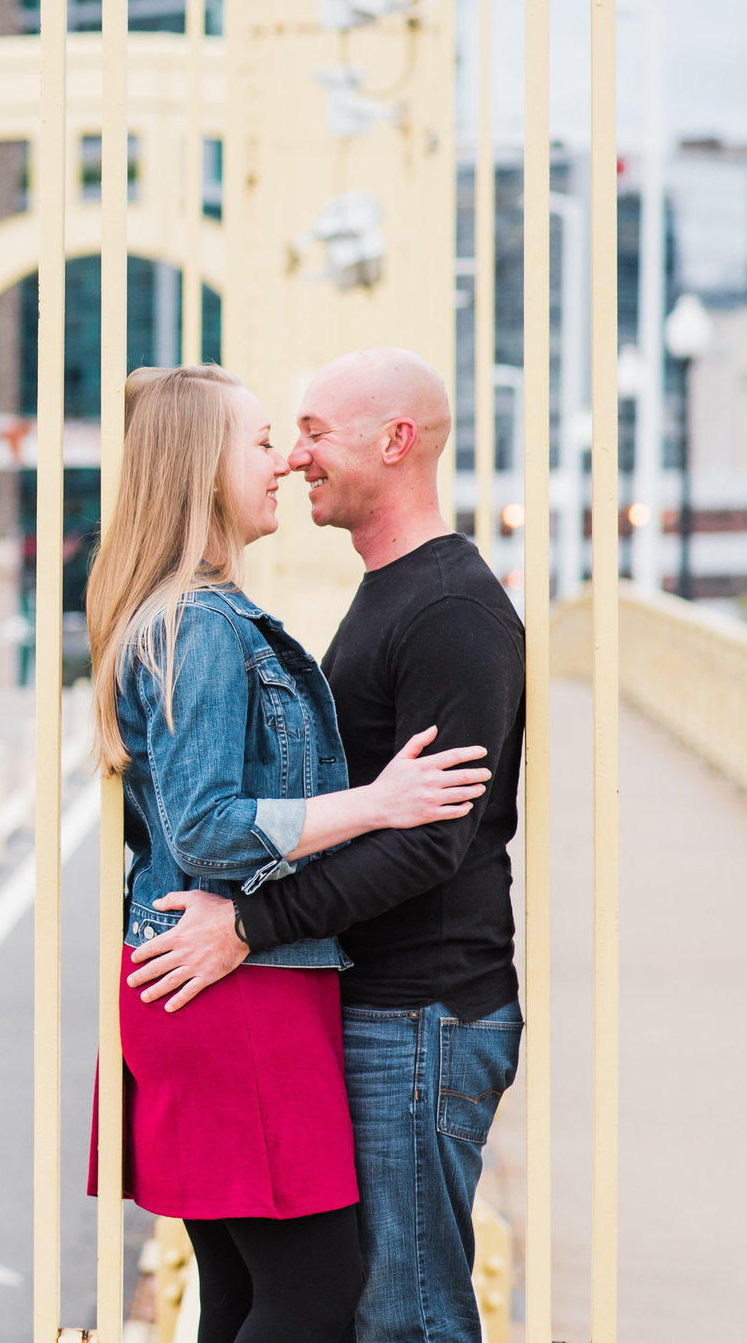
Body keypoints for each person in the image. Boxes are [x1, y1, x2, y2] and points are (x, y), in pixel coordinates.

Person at [128, 348, 527, 1343]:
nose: (297, 457)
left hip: (420, 1011)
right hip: (356, 1001)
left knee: (404, 1315)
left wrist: (251, 925)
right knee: (327, 1300)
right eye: (277, 435)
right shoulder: (372, 597)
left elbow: (431, 841)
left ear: (396, 442)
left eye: (311, 432)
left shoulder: (450, 611)